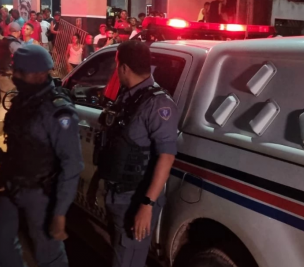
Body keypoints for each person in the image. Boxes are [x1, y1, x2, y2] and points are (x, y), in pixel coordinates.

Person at [90, 41, 178, 267]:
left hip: (135, 199)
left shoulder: (157, 104)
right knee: (120, 254)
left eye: (116, 64)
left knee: (127, 262)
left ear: (124, 67)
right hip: (117, 196)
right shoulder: (128, 96)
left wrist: (147, 205)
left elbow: (166, 156)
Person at [0, 44, 83, 267]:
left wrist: (60, 212)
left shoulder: (58, 111)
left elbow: (72, 164)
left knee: (49, 255)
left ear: (38, 74)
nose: (13, 75)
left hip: (40, 195)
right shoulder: (23, 100)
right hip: (11, 185)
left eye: (19, 72)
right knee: (3, 244)